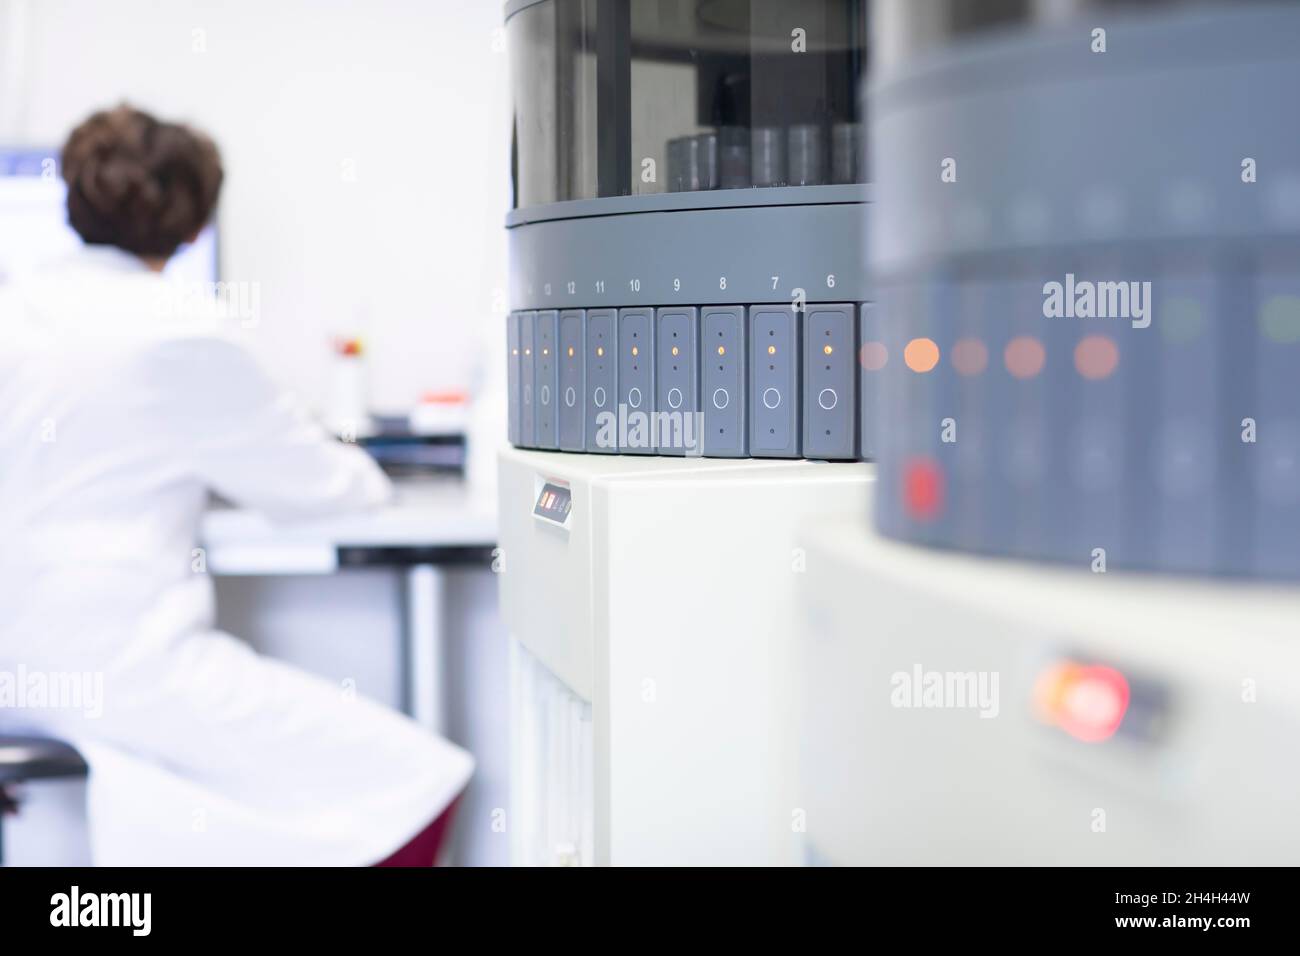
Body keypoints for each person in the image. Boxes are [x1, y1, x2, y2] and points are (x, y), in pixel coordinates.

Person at [0, 105, 472, 865]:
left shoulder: (13, 307)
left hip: (17, 675)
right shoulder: (181, 331)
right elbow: (327, 487)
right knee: (419, 782)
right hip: (120, 671)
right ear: (192, 231)